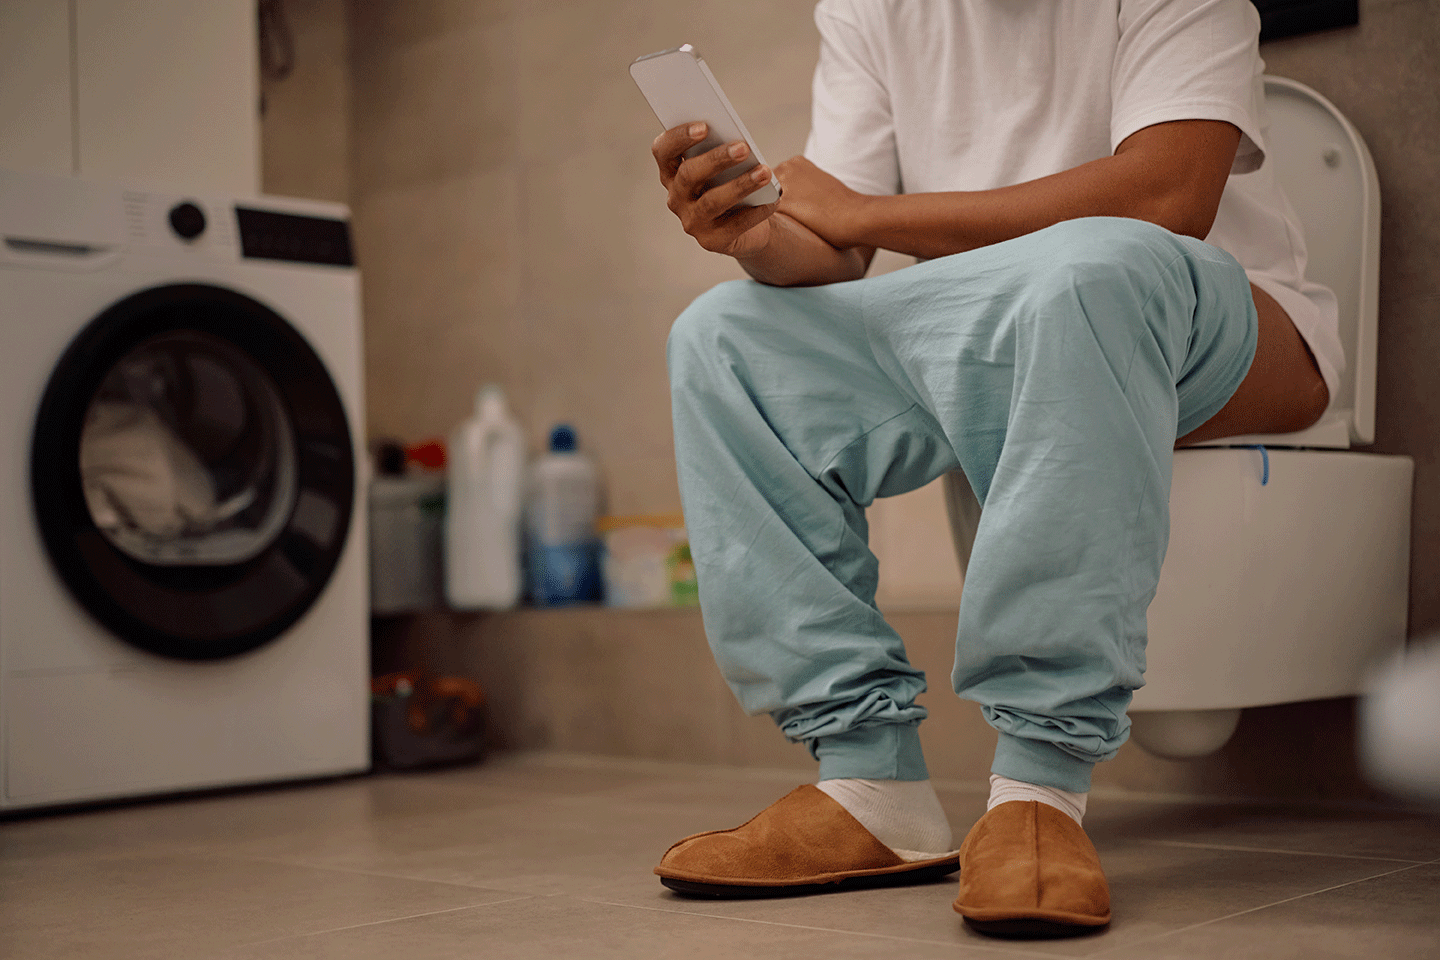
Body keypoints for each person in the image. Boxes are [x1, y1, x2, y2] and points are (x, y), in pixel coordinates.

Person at [647, 0, 1338, 938]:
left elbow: (1167, 200)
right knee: (720, 337)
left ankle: (1039, 790)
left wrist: (864, 213)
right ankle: (866, 783)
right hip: (994, 312)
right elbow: (832, 246)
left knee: (1084, 271)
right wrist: (750, 230)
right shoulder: (872, 9)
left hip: (1214, 319)